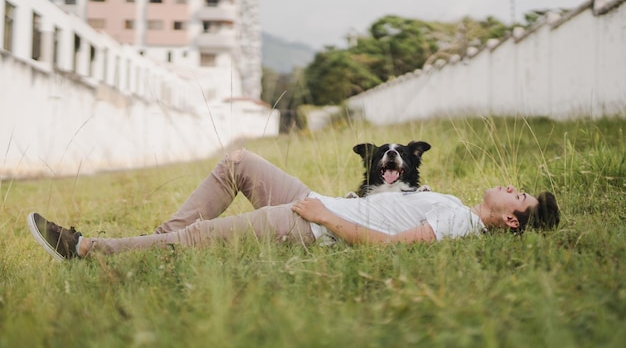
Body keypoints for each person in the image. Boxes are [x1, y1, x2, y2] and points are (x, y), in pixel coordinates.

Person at [27, 149, 560, 261]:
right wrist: (329, 201)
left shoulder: (461, 225)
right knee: (238, 163)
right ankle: (158, 243)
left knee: (199, 240)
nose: (512, 186)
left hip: (314, 225)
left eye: (518, 196)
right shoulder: (458, 206)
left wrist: (326, 218)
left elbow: (394, 246)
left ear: (510, 219)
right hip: (318, 203)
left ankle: (88, 250)